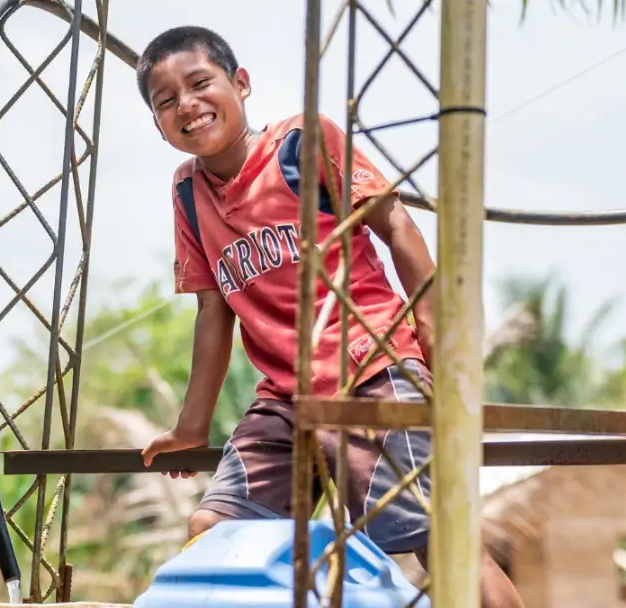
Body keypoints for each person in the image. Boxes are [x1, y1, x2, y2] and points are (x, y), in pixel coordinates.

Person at [134, 25, 524, 608]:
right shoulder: (188, 191)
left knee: (439, 541)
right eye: (166, 102)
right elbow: (213, 306)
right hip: (284, 399)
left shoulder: (303, 143)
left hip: (371, 370)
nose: (186, 105)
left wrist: (441, 361)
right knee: (215, 529)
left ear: (240, 84)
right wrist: (192, 426)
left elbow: (397, 228)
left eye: (199, 84)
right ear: (159, 125)